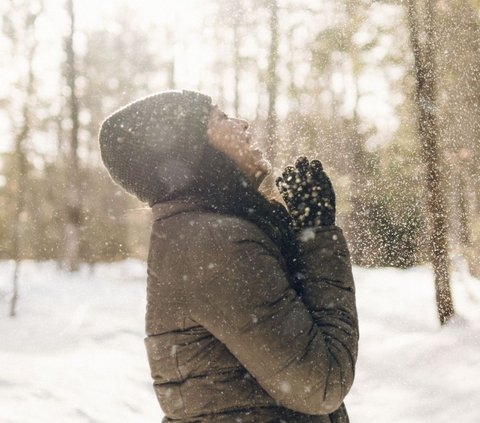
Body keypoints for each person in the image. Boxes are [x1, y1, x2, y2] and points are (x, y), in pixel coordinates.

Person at [99, 90, 359, 423]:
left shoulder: (199, 234)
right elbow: (322, 383)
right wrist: (319, 236)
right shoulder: (216, 244)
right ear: (193, 150)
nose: (242, 124)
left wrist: (302, 233)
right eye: (221, 119)